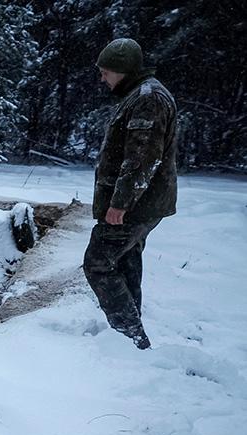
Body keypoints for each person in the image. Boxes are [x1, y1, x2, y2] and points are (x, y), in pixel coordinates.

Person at [86, 37, 177, 349]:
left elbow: (141, 159)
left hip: (134, 206)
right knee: (125, 262)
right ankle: (129, 342)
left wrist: (120, 204)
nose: (102, 78)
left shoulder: (147, 99)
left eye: (106, 72)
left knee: (98, 262)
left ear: (122, 70)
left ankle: (129, 336)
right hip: (142, 205)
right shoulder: (141, 95)